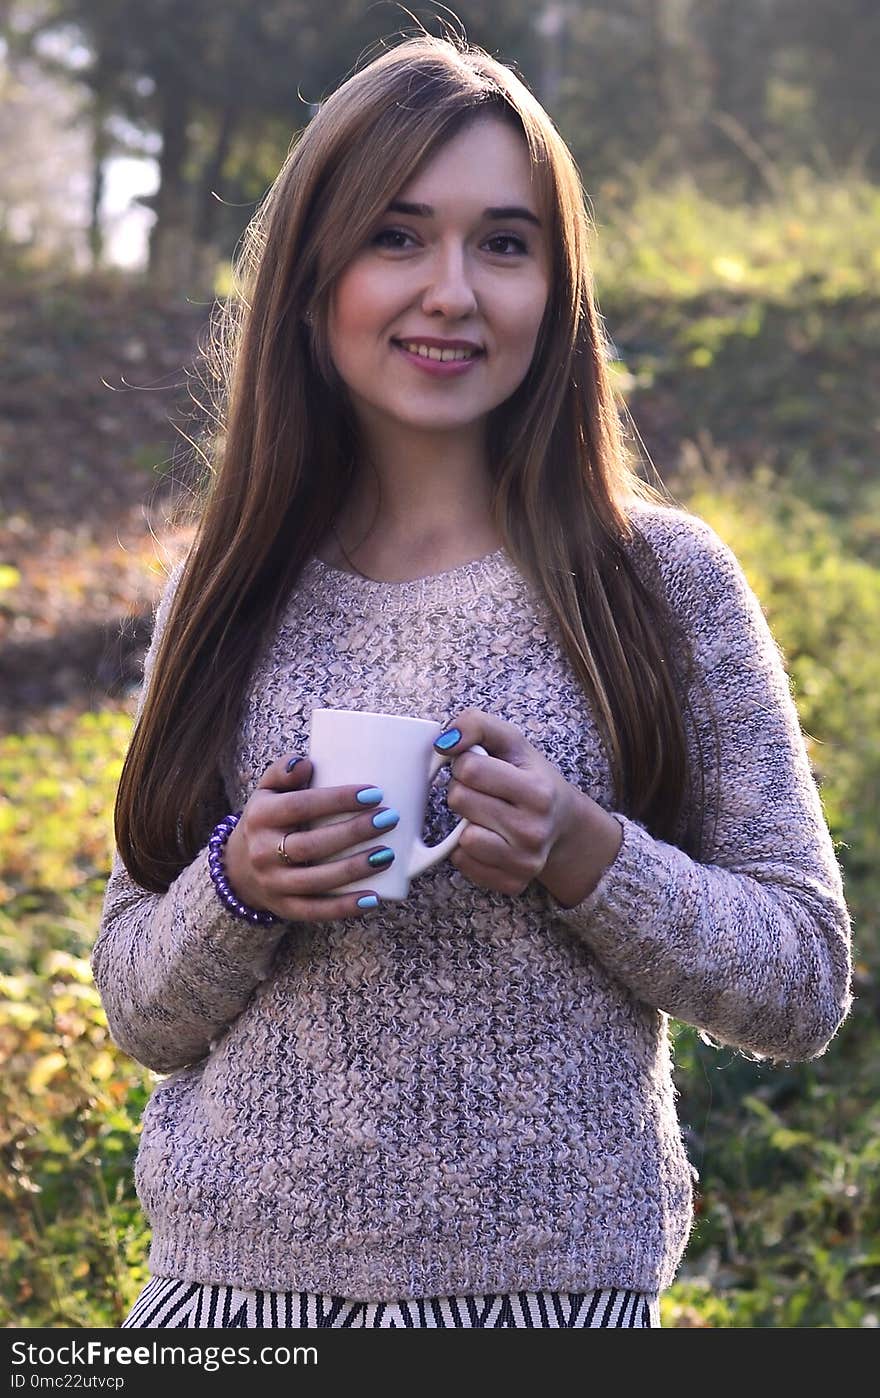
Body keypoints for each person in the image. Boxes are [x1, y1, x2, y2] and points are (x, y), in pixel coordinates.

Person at [92, 33, 853, 1330]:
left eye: (504, 243)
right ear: (312, 276)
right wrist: (237, 885)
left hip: (553, 1309)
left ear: (557, 291)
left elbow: (801, 975)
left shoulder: (660, 583)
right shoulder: (225, 586)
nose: (452, 289)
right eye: (398, 236)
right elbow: (138, 1000)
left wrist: (590, 854)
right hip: (225, 1308)